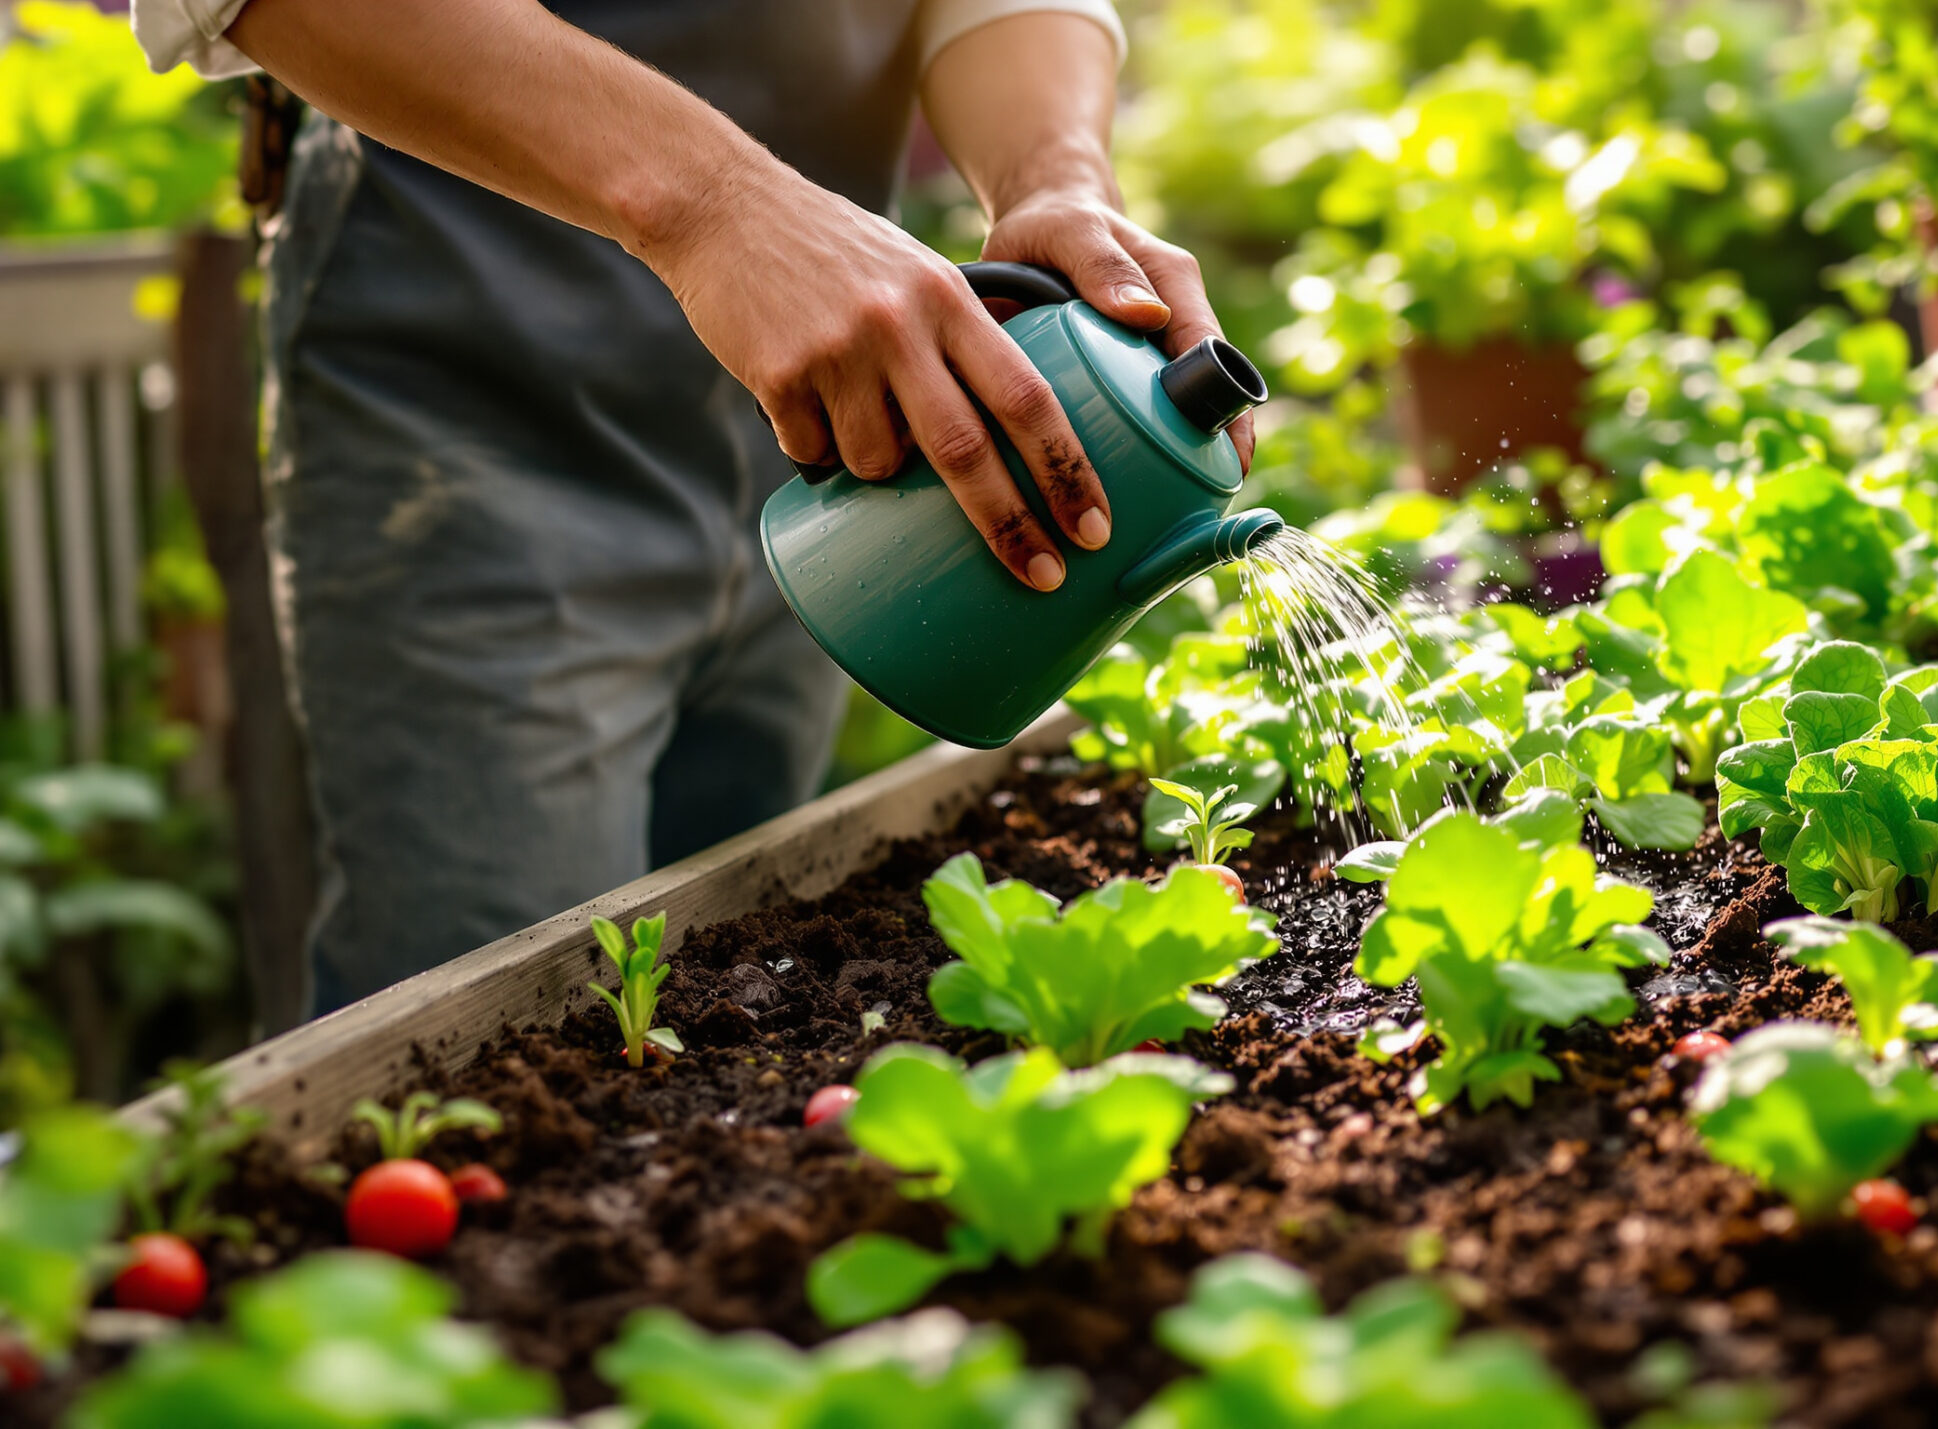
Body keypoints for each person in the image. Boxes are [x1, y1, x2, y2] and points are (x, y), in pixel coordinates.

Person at [134, 0, 1248, 1014]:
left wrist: (1054, 175)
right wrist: (716, 206)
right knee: (496, 1029)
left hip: (841, 436)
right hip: (472, 410)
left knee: (738, 1005)